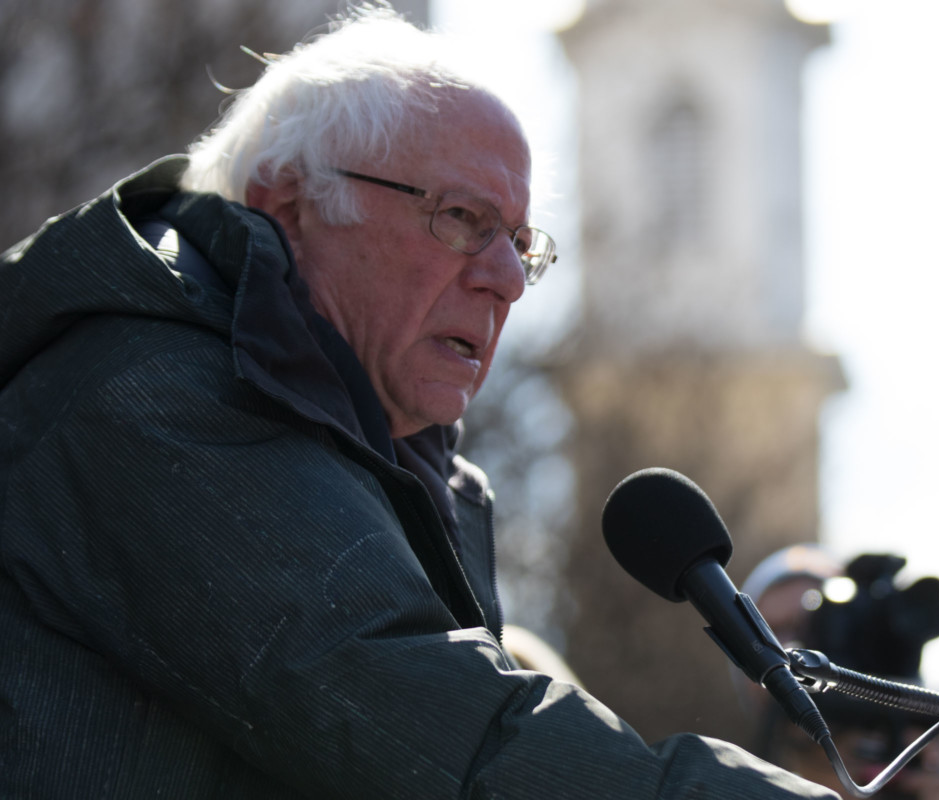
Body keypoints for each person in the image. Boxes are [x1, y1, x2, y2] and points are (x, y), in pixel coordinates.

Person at [0, 5, 842, 799]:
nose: (508, 280)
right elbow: (464, 742)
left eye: (519, 243)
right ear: (289, 204)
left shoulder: (404, 462)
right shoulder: (149, 397)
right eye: (460, 218)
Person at [736, 546, 939, 800]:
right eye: (771, 630)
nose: (794, 652)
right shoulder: (709, 773)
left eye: (819, 621)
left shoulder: (928, 744)